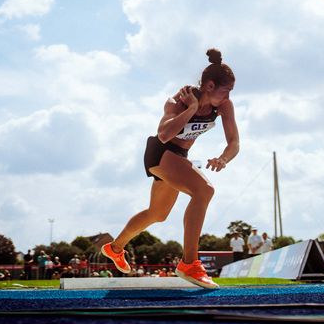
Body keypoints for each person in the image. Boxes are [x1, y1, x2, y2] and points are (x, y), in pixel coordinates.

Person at [101, 48, 239, 289]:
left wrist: (224, 159)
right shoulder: (176, 102)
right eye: (225, 90)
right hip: (160, 152)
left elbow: (234, 143)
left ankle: (114, 248)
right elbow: (164, 135)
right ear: (209, 86)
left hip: (179, 157)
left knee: (157, 214)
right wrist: (191, 109)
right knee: (204, 190)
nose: (228, 96)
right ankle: (189, 263)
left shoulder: (224, 107)